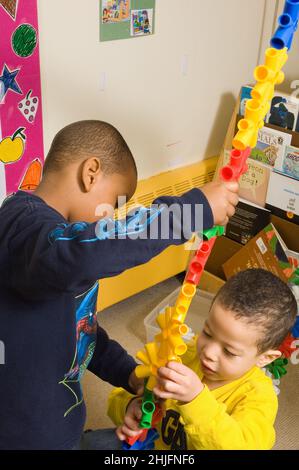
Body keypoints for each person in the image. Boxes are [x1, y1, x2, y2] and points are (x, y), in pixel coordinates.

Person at [0, 120, 239, 450]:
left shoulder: (58, 252)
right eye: (114, 206)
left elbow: (80, 330)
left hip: (57, 422)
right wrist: (189, 212)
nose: (110, 220)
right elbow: (84, 253)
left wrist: (129, 374)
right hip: (22, 433)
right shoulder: (23, 226)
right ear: (91, 173)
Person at [109, 269, 298, 450]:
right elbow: (120, 395)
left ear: (265, 358)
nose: (208, 352)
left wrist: (196, 400)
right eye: (207, 333)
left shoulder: (258, 396)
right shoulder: (184, 354)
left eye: (229, 351)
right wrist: (131, 406)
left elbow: (242, 446)